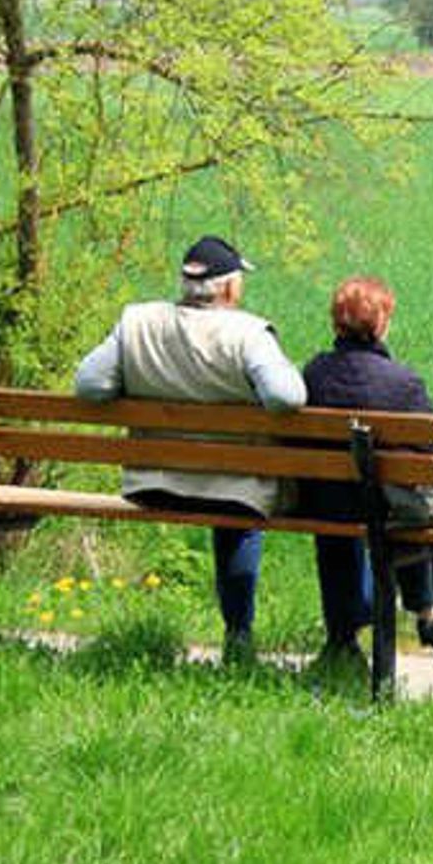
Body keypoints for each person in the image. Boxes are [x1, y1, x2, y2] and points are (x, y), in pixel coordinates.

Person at [74, 234, 306, 662]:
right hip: (236, 491)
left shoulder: (138, 322)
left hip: (152, 483)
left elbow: (89, 384)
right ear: (231, 288)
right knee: (239, 510)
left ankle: (238, 634)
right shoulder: (247, 333)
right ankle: (238, 635)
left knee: (234, 497)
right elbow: (286, 397)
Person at [298, 275, 433, 676]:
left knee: (362, 511)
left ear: (336, 325)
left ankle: (343, 639)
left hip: (323, 501)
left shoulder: (315, 373)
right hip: (388, 507)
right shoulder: (403, 383)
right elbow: (428, 455)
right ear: (382, 324)